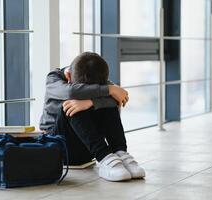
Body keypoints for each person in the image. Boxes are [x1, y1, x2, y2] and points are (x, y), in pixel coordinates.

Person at [40, 52, 145, 181]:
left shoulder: (97, 76)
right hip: (59, 148)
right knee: (70, 104)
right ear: (68, 76)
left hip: (88, 148)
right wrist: (110, 90)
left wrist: (91, 102)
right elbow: (71, 91)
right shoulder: (53, 78)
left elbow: (119, 98)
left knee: (104, 104)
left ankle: (120, 152)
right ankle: (105, 157)